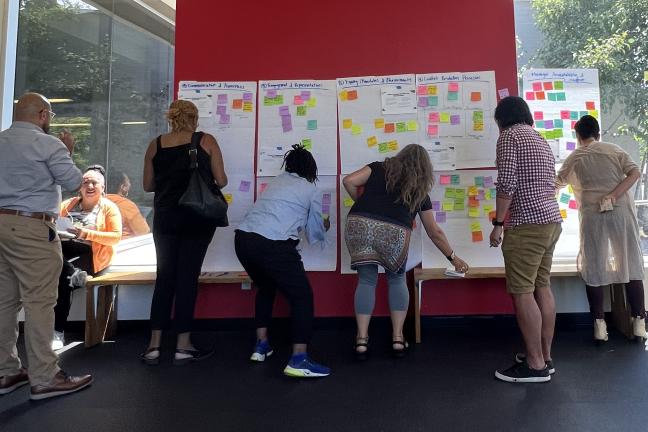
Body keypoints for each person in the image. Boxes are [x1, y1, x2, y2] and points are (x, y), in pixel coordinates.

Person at [0, 93, 92, 400]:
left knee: (5, 302)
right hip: (32, 227)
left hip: (1, 225)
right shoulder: (48, 144)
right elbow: (73, 180)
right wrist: (66, 151)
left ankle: (7, 370)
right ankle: (45, 376)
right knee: (40, 301)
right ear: (43, 115)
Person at [343, 144, 469, 360]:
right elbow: (434, 231)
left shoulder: (378, 167)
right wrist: (453, 258)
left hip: (359, 225)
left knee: (366, 281)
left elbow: (349, 181)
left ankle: (361, 341)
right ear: (424, 168)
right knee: (396, 279)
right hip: (393, 233)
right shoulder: (419, 189)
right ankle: (398, 339)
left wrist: (362, 204)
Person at [141, 100, 227, 365]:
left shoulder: (155, 144)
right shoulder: (206, 141)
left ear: (171, 118)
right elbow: (221, 180)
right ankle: (183, 345)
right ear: (194, 118)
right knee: (187, 277)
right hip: (196, 218)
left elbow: (147, 185)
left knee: (165, 276)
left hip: (165, 218)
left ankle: (154, 346)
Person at [235, 144, 331, 378]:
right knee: (302, 297)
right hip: (273, 244)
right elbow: (315, 231)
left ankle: (261, 345)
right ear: (311, 169)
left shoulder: (276, 182)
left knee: (266, 287)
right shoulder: (309, 188)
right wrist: (325, 224)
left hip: (243, 240)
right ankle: (299, 359)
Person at [489, 96, 562, 383]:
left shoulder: (509, 137)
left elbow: (507, 183)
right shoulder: (539, 138)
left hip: (527, 224)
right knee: (542, 286)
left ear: (502, 119)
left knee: (522, 292)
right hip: (551, 221)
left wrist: (498, 224)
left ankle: (534, 365)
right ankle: (545, 356)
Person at [556, 115, 647, 342]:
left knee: (594, 265)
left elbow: (557, 182)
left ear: (578, 136)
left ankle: (599, 325)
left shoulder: (576, 156)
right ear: (598, 133)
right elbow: (635, 172)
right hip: (620, 213)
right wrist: (614, 195)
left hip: (592, 216)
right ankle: (639, 322)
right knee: (631, 262)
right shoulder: (613, 149)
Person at [53, 165, 122, 350]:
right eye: (85, 182)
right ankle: (73, 273)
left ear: (103, 187)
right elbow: (52, 225)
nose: (89, 186)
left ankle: (57, 332)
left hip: (91, 256)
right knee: (55, 261)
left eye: (94, 182)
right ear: (79, 186)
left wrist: (85, 234)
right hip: (65, 251)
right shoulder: (67, 205)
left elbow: (115, 237)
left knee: (61, 278)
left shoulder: (109, 208)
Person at [106, 171, 150, 238]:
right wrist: (143, 219)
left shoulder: (99, 201)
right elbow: (144, 232)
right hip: (123, 245)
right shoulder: (127, 205)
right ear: (123, 187)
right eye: (128, 182)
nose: (130, 185)